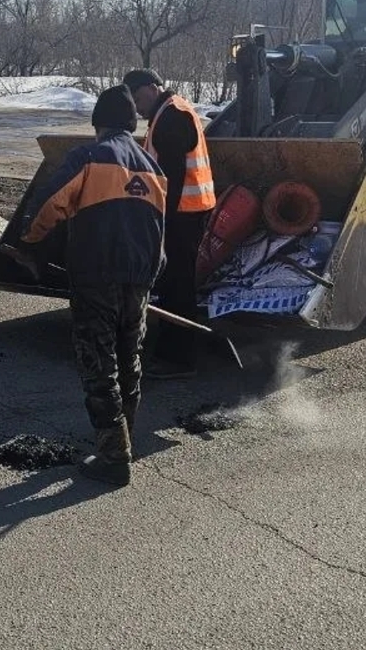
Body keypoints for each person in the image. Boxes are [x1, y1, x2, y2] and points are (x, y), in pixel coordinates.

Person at [16, 85, 166, 486]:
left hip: (96, 273)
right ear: (131, 124)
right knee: (129, 357)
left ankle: (114, 456)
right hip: (140, 277)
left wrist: (30, 241)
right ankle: (124, 437)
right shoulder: (153, 169)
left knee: (99, 361)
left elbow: (51, 206)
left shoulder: (89, 157)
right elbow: (160, 230)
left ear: (98, 123)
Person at [121, 68, 217, 380]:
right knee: (175, 283)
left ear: (151, 88)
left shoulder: (172, 117)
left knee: (177, 285)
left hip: (181, 215)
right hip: (186, 212)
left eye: (138, 99)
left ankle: (179, 358)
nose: (137, 107)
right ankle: (170, 349)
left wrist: (158, 223)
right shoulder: (170, 111)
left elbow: (171, 181)